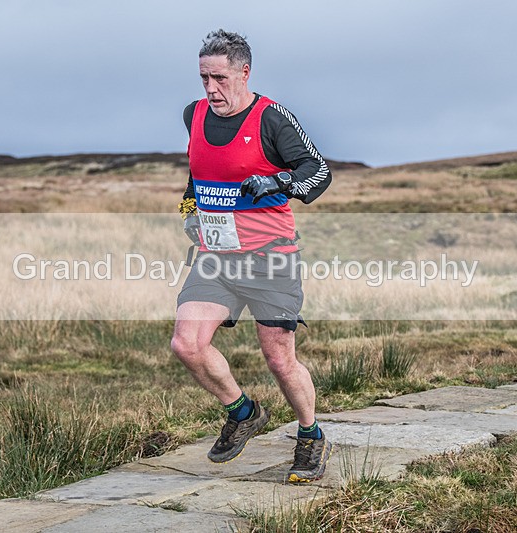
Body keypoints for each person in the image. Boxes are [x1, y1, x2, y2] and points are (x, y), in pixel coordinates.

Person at [171, 29, 332, 483]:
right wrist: (189, 209)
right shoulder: (194, 115)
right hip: (216, 257)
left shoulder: (272, 118)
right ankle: (243, 412)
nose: (210, 89)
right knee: (187, 343)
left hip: (270, 258)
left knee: (279, 358)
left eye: (219, 78)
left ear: (245, 72)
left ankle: (310, 435)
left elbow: (317, 173)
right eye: (203, 77)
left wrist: (279, 183)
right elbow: (199, 171)